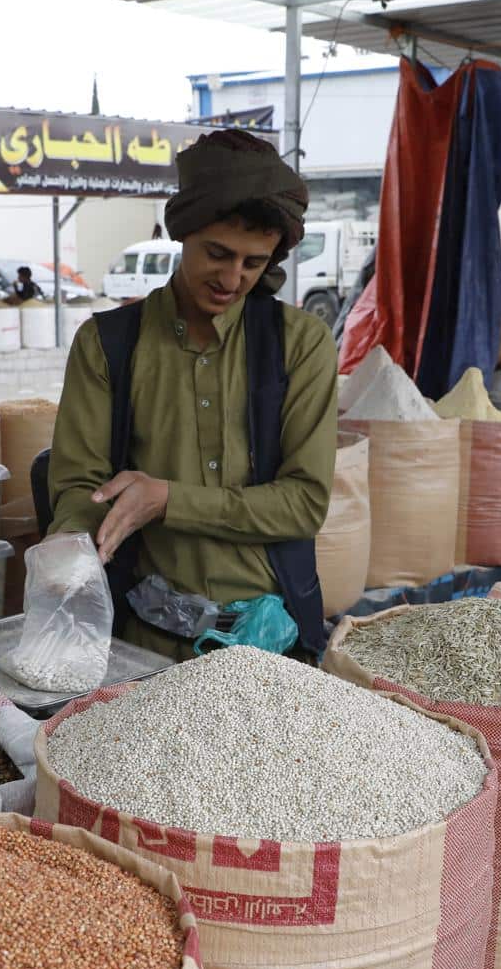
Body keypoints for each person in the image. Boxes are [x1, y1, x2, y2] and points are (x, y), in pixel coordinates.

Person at [45, 129, 335, 660]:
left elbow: (304, 502)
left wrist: (167, 500)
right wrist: (70, 551)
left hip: (271, 640)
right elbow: (79, 489)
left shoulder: (300, 342)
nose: (232, 278)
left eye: (253, 263)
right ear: (181, 234)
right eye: (217, 254)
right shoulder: (108, 344)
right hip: (142, 642)